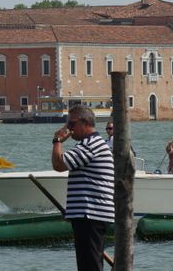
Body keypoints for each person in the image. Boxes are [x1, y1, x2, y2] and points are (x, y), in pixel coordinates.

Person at [51, 105, 114, 271]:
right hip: (91, 214)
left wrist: (57, 140)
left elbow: (58, 164)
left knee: (89, 266)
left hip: (90, 214)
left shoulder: (89, 145)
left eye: (71, 124)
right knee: (90, 264)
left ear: (85, 123)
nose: (68, 129)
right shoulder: (94, 143)